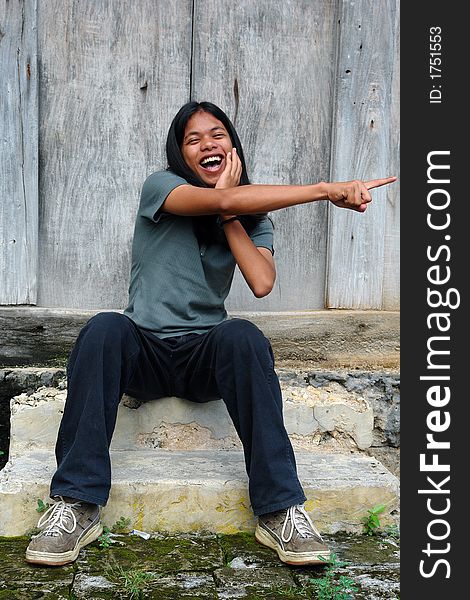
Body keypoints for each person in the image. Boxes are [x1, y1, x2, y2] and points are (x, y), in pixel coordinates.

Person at [25, 101, 396, 567]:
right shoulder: (162, 188)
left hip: (203, 355)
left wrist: (231, 217)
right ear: (180, 154)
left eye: (217, 134)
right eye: (193, 139)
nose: (207, 145)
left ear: (233, 145)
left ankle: (280, 510)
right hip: (144, 349)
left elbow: (261, 283)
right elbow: (220, 198)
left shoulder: (255, 218)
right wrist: (324, 190)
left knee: (243, 336)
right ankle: (76, 504)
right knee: (104, 328)